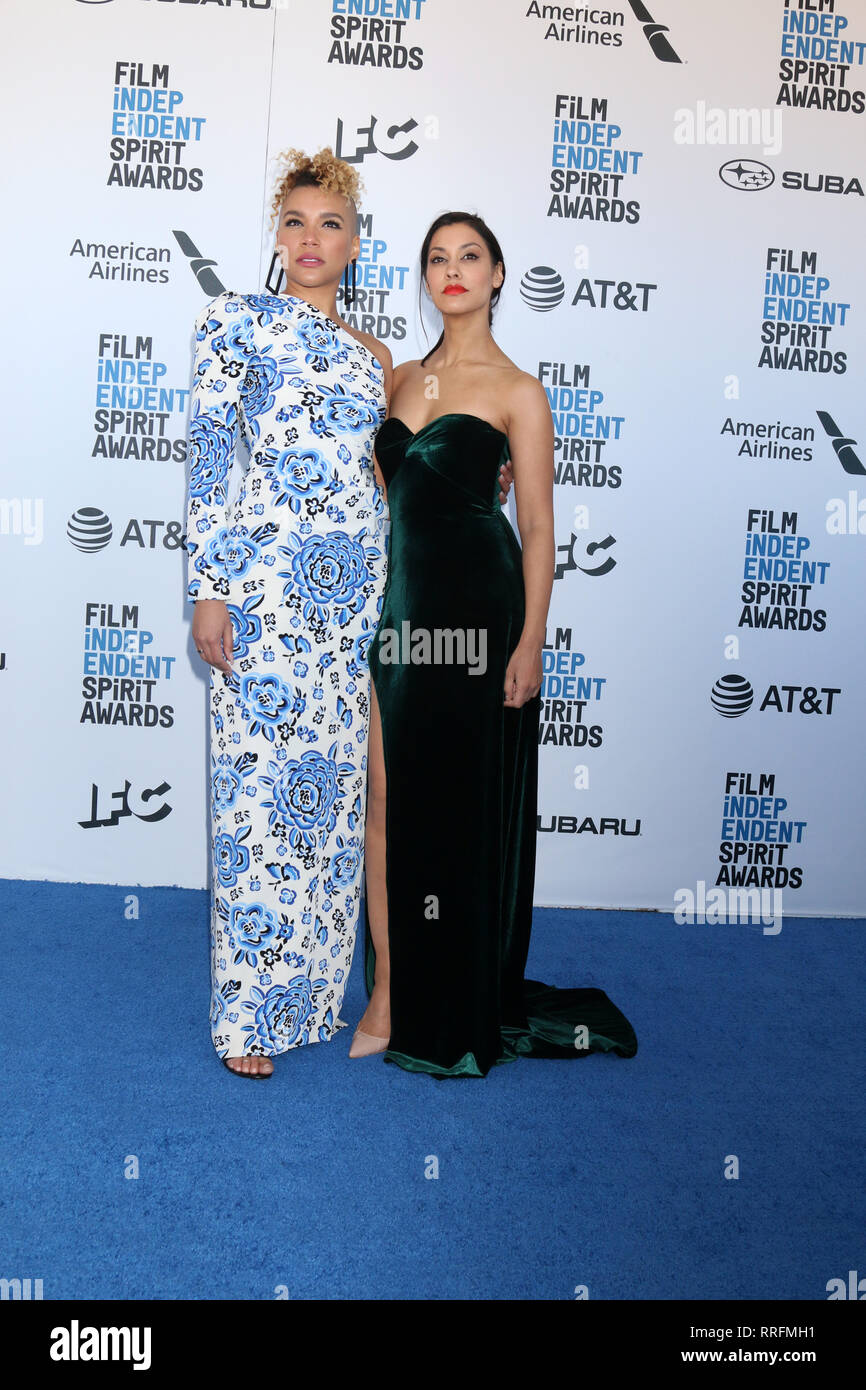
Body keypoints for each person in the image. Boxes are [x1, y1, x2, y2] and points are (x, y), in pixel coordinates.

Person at [186, 154, 513, 1077]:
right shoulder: (234, 324)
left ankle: (314, 1000)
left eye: (329, 224)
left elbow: (393, 476)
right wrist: (210, 586)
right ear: (277, 237)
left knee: (330, 806)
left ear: (356, 246)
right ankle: (247, 1019)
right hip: (263, 587)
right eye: (294, 222)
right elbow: (214, 458)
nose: (309, 240)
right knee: (255, 798)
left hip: (362, 599)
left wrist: (463, 486)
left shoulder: (378, 359)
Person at [355, 211, 638, 1076]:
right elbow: (382, 495)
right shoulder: (396, 376)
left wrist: (531, 640)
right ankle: (391, 992)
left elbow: (542, 527)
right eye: (436, 259)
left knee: (460, 807)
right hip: (401, 610)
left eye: (469, 257)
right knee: (383, 793)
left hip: (480, 612)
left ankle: (455, 999)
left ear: (499, 275)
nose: (452, 271)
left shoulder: (520, 390)